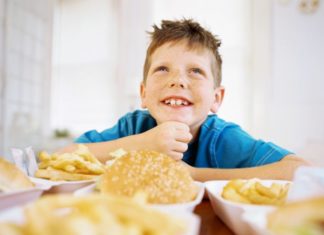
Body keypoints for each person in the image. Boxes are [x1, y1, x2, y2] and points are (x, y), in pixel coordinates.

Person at [60, 19, 309, 181]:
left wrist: (195, 175)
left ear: (216, 98)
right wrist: (141, 144)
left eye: (195, 71)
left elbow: (301, 171)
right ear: (144, 93)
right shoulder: (132, 128)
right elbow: (64, 155)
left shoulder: (223, 138)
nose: (178, 81)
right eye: (162, 69)